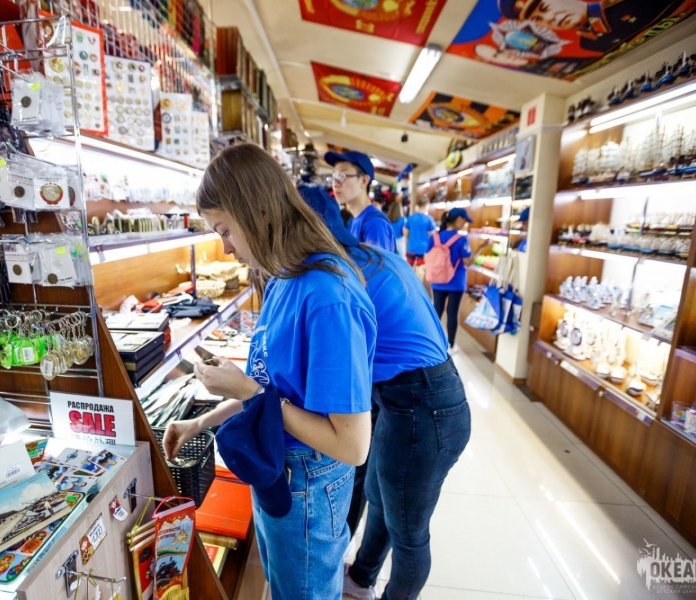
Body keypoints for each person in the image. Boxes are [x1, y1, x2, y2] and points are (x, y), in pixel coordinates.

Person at [163, 144, 376, 600]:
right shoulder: (283, 277)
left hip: (309, 482)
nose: (225, 247)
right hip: (281, 468)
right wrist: (202, 422)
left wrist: (250, 392)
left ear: (257, 212)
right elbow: (272, 388)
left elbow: (353, 445)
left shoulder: (326, 297)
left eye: (225, 231)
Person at [298, 187, 471, 600]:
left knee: (409, 530)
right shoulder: (373, 258)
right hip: (417, 395)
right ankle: (361, 579)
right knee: (381, 497)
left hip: (423, 404)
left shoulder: (340, 276)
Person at [499, 0, 686, 54]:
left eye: (545, 7)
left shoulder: (620, 4)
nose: (550, 18)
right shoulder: (590, 44)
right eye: (538, 19)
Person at [427, 208, 489, 353]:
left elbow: (427, 257)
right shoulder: (461, 239)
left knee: (436, 311)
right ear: (459, 219)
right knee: (452, 313)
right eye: (465, 221)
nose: (465, 224)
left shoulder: (434, 238)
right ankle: (450, 346)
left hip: (437, 280)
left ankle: (432, 342)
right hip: (456, 282)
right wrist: (481, 248)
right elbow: (468, 262)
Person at [326, 150, 395, 253]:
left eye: (342, 176)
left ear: (363, 181)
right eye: (333, 177)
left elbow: (379, 263)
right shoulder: (354, 220)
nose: (335, 184)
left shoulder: (375, 224)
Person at [403, 197, 437, 266]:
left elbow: (405, 232)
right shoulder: (429, 219)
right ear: (426, 206)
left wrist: (406, 243)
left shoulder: (411, 217)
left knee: (408, 268)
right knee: (420, 269)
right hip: (423, 249)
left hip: (411, 247)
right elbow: (433, 234)